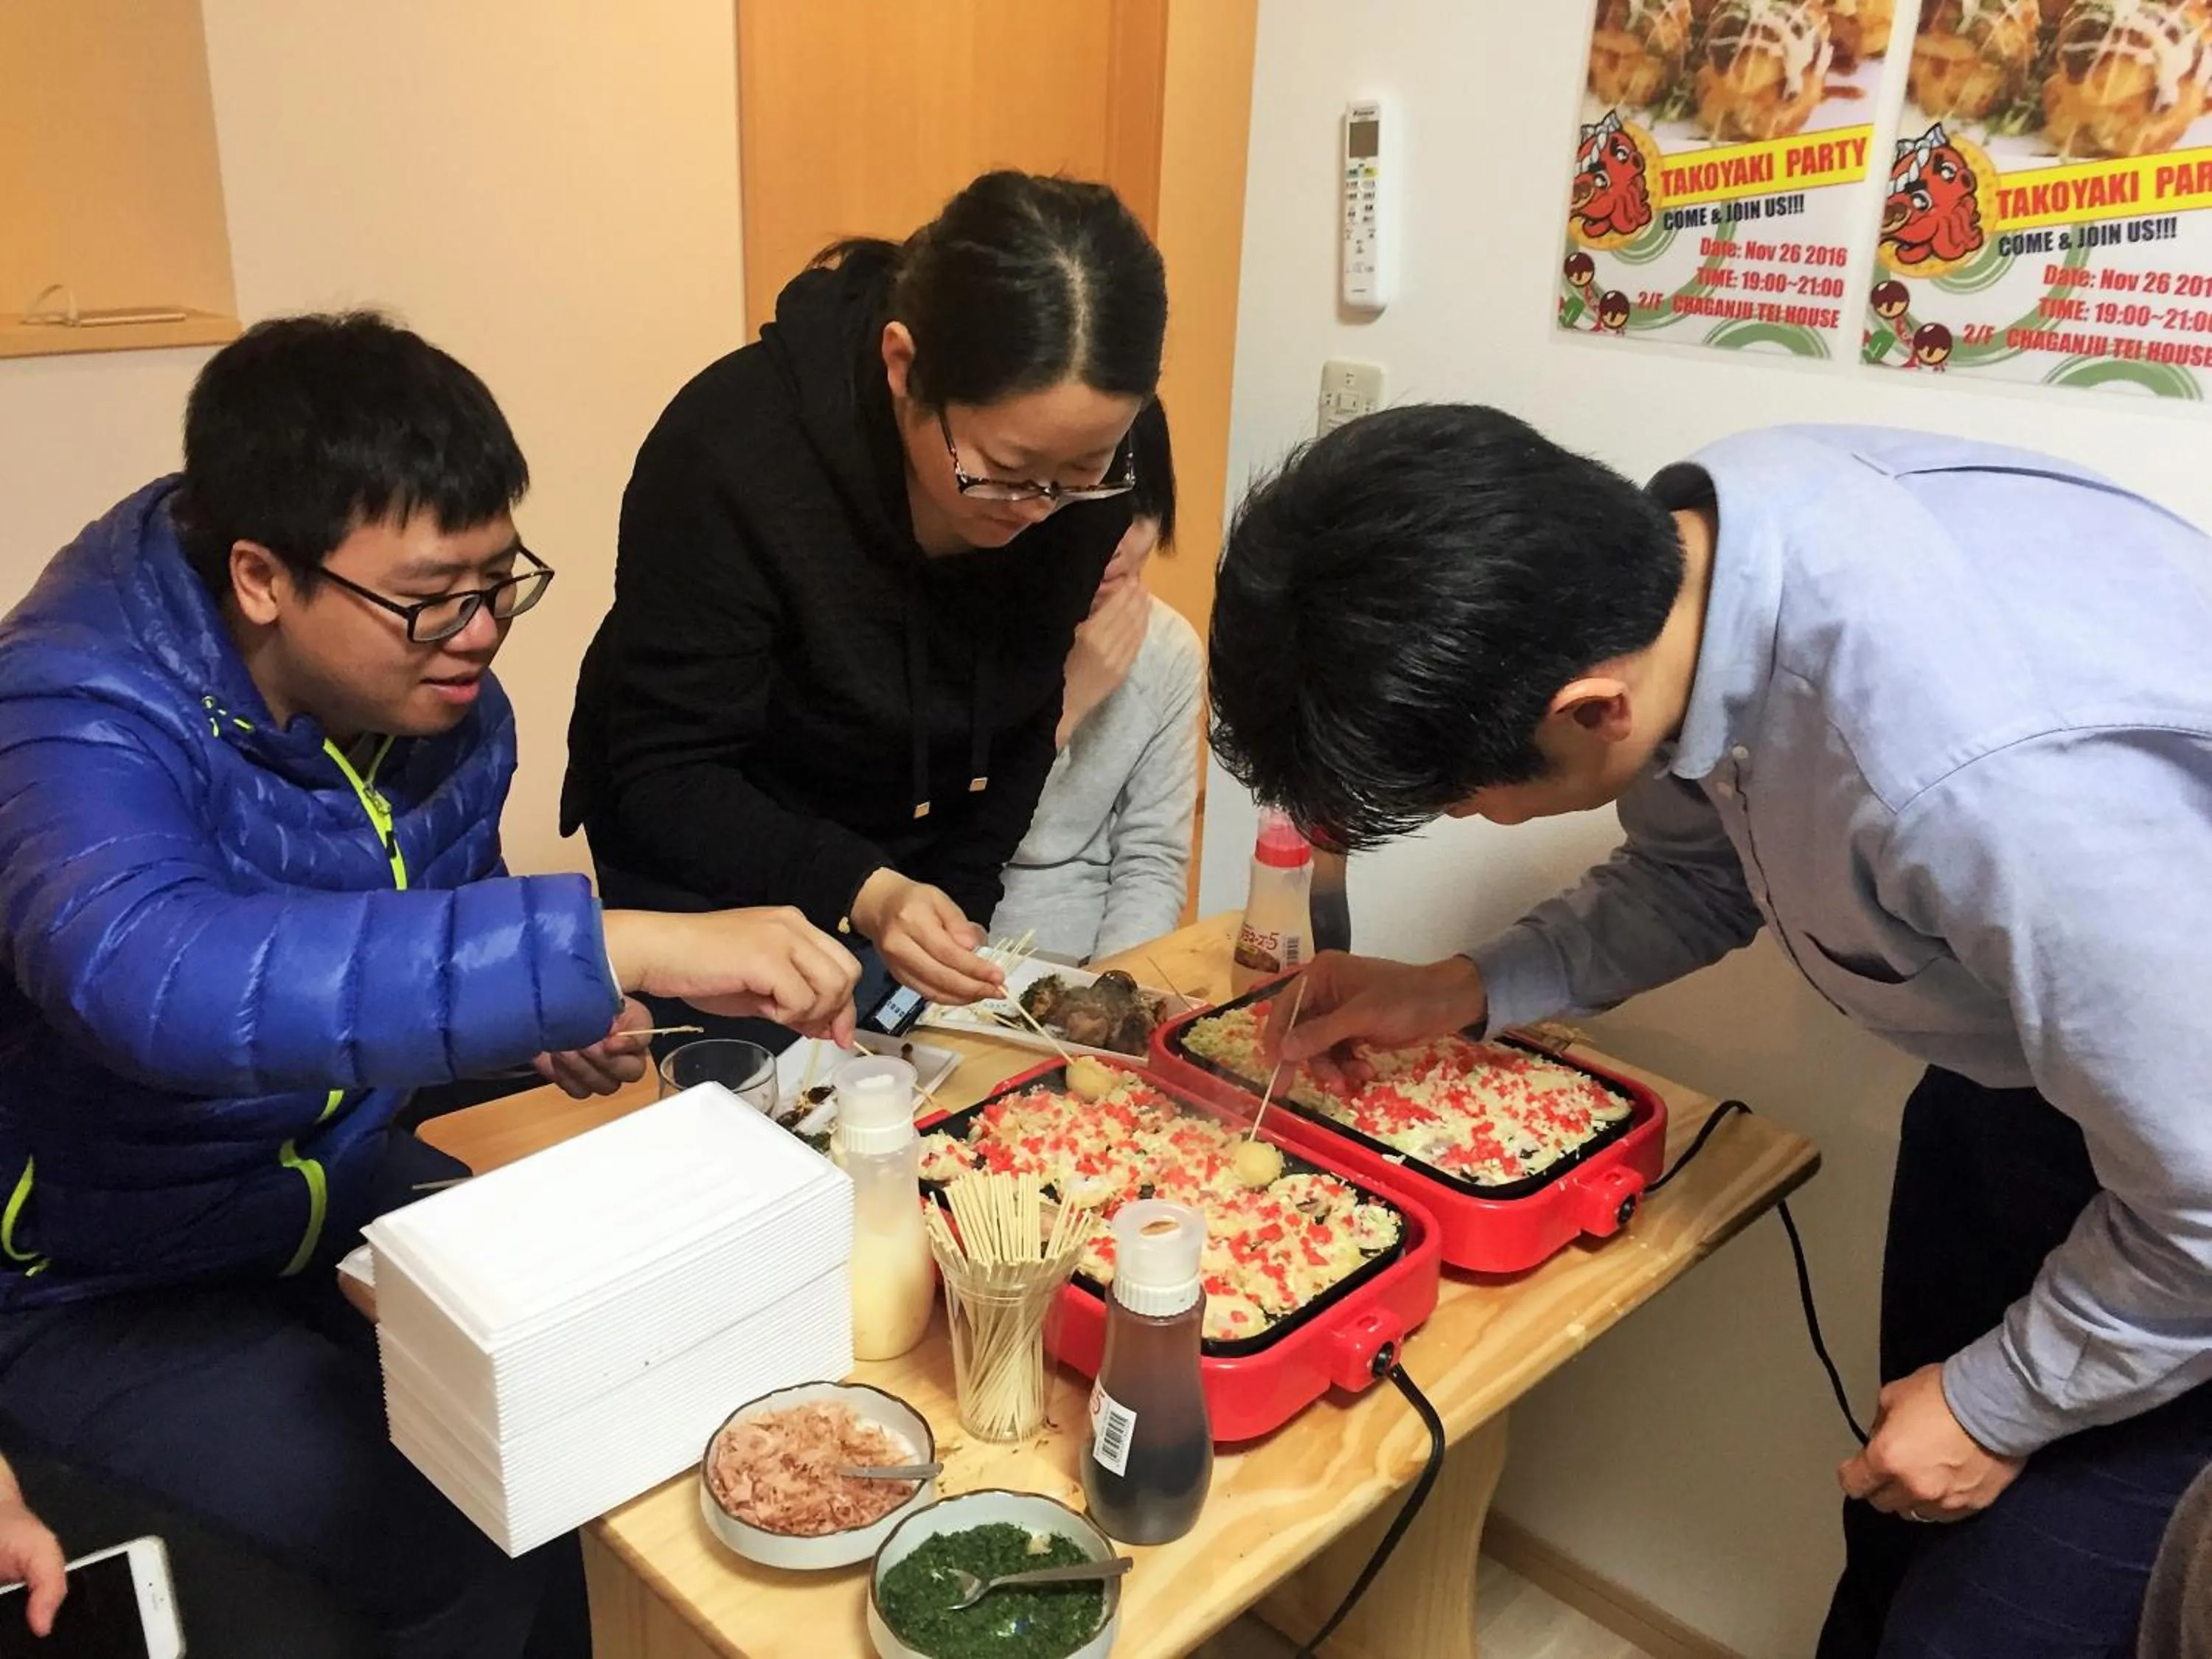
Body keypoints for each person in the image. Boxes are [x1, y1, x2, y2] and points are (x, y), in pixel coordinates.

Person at [1206, 407, 2212, 1659]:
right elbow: (1701, 873)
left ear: (1587, 711)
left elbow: (2199, 1202)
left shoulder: (1985, 787)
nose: (1469, 814)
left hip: (2188, 1188)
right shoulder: (1704, 549)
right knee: (1902, 1512)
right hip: (2046, 1078)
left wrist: (2000, 1403)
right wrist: (1463, 987)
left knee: (1988, 1618)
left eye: (1464, 796)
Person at [0, 313, 860, 1658]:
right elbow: (156, 975)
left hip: (336, 1188)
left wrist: (543, 1013)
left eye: (501, 579)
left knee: (623, 1405)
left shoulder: (439, 704)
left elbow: (393, 952)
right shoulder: (70, 707)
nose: (478, 633)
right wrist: (606, 942)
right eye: (429, 597)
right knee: (447, 1534)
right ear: (262, 577)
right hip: (99, 1282)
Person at [563, 170, 1169, 1009]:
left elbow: (1025, 714)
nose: (1040, 509)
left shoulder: (1090, 457)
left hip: (900, 856)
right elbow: (668, 775)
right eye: (1004, 470)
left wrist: (958, 910)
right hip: (710, 859)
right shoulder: (731, 456)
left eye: (1081, 473)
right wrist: (866, 888)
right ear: (902, 363)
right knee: (751, 1110)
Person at [989, 398, 1200, 962]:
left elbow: (1151, 860)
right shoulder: (977, 622)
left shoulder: (1170, 648)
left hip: (1083, 960)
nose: (1116, 544)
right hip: (954, 937)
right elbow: (953, 840)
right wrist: (1070, 698)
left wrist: (1114, 990)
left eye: (1137, 513)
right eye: (1087, 513)